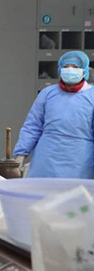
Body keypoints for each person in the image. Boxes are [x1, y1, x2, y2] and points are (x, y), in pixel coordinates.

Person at [14, 50, 94, 178]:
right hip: (46, 160)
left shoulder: (92, 96)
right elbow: (32, 126)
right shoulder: (48, 94)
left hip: (80, 161)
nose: (70, 70)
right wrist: (21, 154)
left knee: (75, 196)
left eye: (75, 67)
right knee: (41, 196)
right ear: (59, 70)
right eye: (65, 67)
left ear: (84, 70)